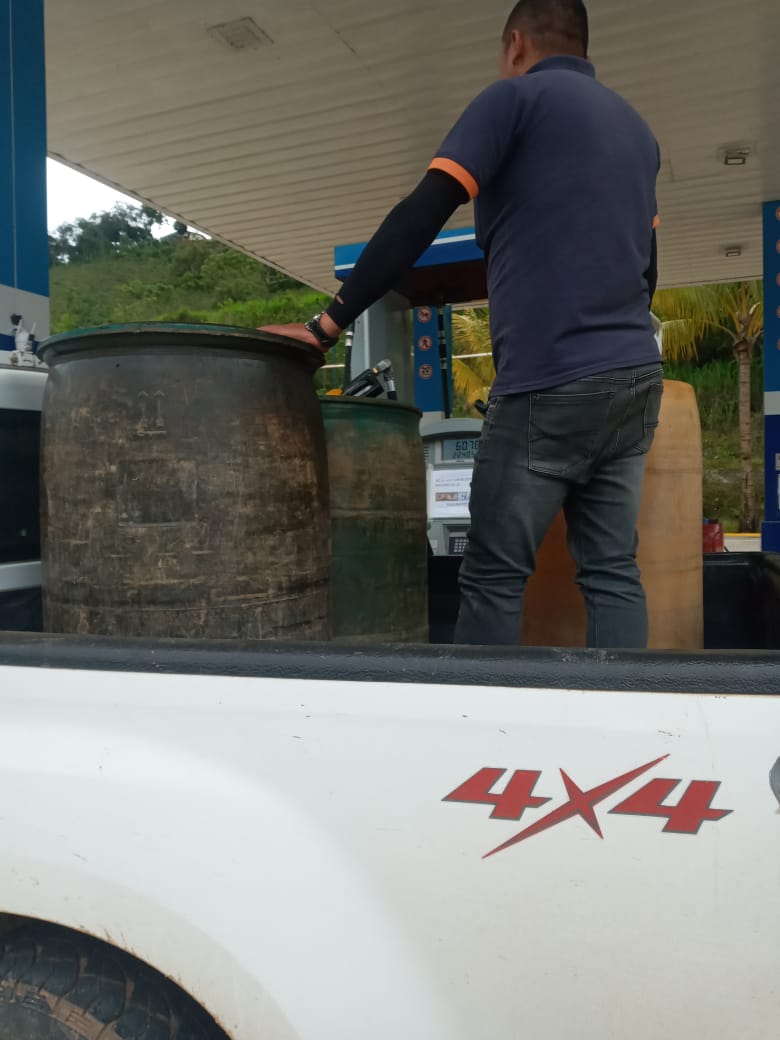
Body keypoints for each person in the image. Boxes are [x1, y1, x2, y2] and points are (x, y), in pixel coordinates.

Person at [262, 0, 663, 649]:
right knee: (613, 572)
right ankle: (626, 712)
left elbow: (422, 213)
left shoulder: (512, 101)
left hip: (547, 382)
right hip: (635, 380)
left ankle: (481, 710)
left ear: (515, 44)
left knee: (494, 578)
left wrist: (328, 324)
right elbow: (648, 271)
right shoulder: (638, 132)